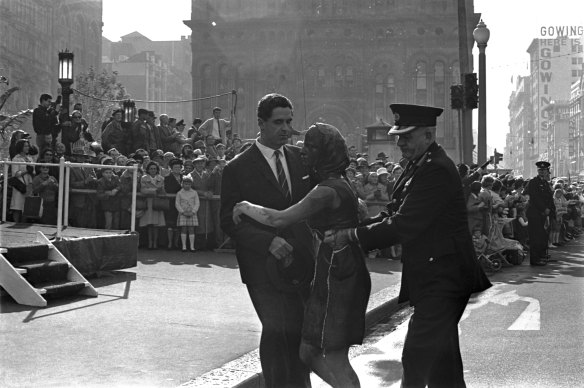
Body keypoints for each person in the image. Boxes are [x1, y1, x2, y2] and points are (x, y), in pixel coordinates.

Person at [327, 103, 492, 388]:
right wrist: (355, 229)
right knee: (444, 367)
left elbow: (405, 224)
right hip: (434, 275)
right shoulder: (419, 166)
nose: (400, 143)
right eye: (398, 136)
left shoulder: (436, 169)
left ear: (428, 136)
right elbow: (392, 212)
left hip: (445, 278)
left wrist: (352, 236)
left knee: (417, 355)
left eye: (406, 137)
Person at [233, 123, 370, 387]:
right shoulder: (338, 184)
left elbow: (279, 219)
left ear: (325, 152)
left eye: (310, 146)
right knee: (308, 351)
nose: (302, 150)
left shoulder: (327, 190)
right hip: (333, 267)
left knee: (334, 356)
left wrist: (245, 206)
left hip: (339, 273)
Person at [220, 93, 314, 388]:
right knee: (275, 328)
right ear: (261, 123)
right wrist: (267, 242)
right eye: (278, 122)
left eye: (289, 121)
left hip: (299, 263)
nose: (286, 128)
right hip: (261, 265)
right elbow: (228, 221)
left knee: (297, 331)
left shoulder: (301, 160)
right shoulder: (237, 167)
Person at [523, 161, 555, 265]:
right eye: (540, 170)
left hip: (544, 214)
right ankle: (535, 259)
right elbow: (535, 197)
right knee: (535, 237)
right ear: (538, 171)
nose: (542, 172)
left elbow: (549, 199)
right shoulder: (533, 182)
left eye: (544, 170)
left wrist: (551, 211)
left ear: (547, 171)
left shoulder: (545, 183)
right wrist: (544, 208)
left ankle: (542, 255)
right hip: (535, 213)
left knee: (542, 236)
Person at [140, 161, 166, 249]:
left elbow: (162, 191)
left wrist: (150, 190)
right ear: (148, 170)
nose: (153, 170)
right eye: (151, 168)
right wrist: (154, 191)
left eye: (154, 168)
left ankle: (155, 243)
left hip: (157, 203)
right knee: (149, 224)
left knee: (156, 225)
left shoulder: (161, 178)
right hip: (148, 202)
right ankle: (150, 243)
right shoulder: (143, 178)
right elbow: (143, 190)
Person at [9, 139, 35, 223]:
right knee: (17, 207)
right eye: (25, 146)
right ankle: (16, 223)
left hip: (29, 184)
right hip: (19, 185)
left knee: (26, 206)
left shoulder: (30, 158)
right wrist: (26, 171)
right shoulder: (16, 159)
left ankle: (23, 224)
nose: (28, 147)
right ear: (21, 147)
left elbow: (33, 171)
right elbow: (15, 174)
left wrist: (31, 171)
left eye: (28, 145)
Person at [175, 174, 200, 252]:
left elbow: (197, 203)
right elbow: (177, 203)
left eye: (189, 184)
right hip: (183, 213)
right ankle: (184, 246)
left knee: (191, 229)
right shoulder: (179, 193)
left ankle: (192, 247)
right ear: (182, 184)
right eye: (185, 184)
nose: (187, 185)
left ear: (191, 184)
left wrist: (193, 212)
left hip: (192, 213)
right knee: (184, 229)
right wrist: (182, 212)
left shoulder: (194, 192)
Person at [96, 165, 121, 230]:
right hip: (107, 205)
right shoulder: (100, 181)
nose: (108, 174)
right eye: (106, 173)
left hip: (116, 203)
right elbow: (99, 194)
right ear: (103, 173)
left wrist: (116, 189)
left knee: (116, 222)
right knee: (108, 222)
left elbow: (120, 185)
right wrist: (109, 194)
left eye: (110, 172)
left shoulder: (116, 178)